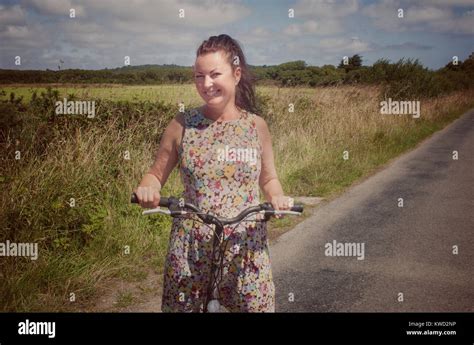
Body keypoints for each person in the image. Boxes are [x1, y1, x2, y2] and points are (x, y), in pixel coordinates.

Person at [135, 34, 294, 312]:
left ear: (236, 74)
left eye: (214, 74)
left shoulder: (257, 126)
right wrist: (148, 188)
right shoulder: (182, 124)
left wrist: (278, 198)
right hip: (191, 248)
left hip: (245, 248)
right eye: (199, 76)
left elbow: (269, 179)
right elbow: (155, 175)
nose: (206, 84)